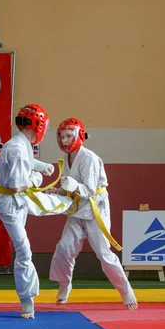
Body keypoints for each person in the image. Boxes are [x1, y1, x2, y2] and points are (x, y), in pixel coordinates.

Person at [47, 118, 137, 310]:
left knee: (104, 254)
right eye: (62, 136)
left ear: (80, 135)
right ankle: (64, 286)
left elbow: (87, 189)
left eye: (69, 136)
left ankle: (127, 293)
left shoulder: (89, 158)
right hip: (77, 210)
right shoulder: (69, 158)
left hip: (96, 210)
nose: (64, 140)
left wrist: (70, 186)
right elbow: (71, 187)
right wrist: (59, 191)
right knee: (64, 248)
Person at [0, 104, 59, 319]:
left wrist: (41, 166)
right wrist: (37, 177)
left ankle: (71, 202)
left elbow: (25, 162)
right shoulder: (17, 149)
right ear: (38, 126)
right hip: (11, 203)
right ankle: (27, 301)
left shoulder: (21, 144)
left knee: (54, 204)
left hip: (18, 199)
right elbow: (16, 186)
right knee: (24, 249)